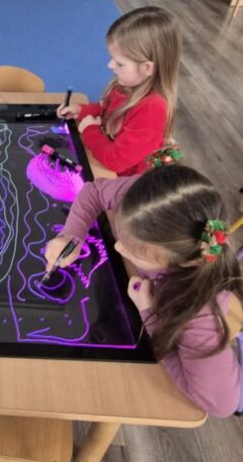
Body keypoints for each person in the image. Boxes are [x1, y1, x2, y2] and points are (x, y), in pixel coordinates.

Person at [44, 161, 243, 417]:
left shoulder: (197, 314)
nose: (118, 248)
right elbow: (94, 191)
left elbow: (222, 405)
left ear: (184, 262)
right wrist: (72, 235)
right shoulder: (146, 198)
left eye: (134, 251)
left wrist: (150, 315)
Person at [57, 6, 181, 175]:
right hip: (106, 158)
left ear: (147, 68)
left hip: (124, 180)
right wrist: (81, 111)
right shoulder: (126, 84)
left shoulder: (152, 110)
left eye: (120, 63)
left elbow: (115, 161)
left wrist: (90, 130)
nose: (110, 65)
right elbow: (108, 111)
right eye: (112, 58)